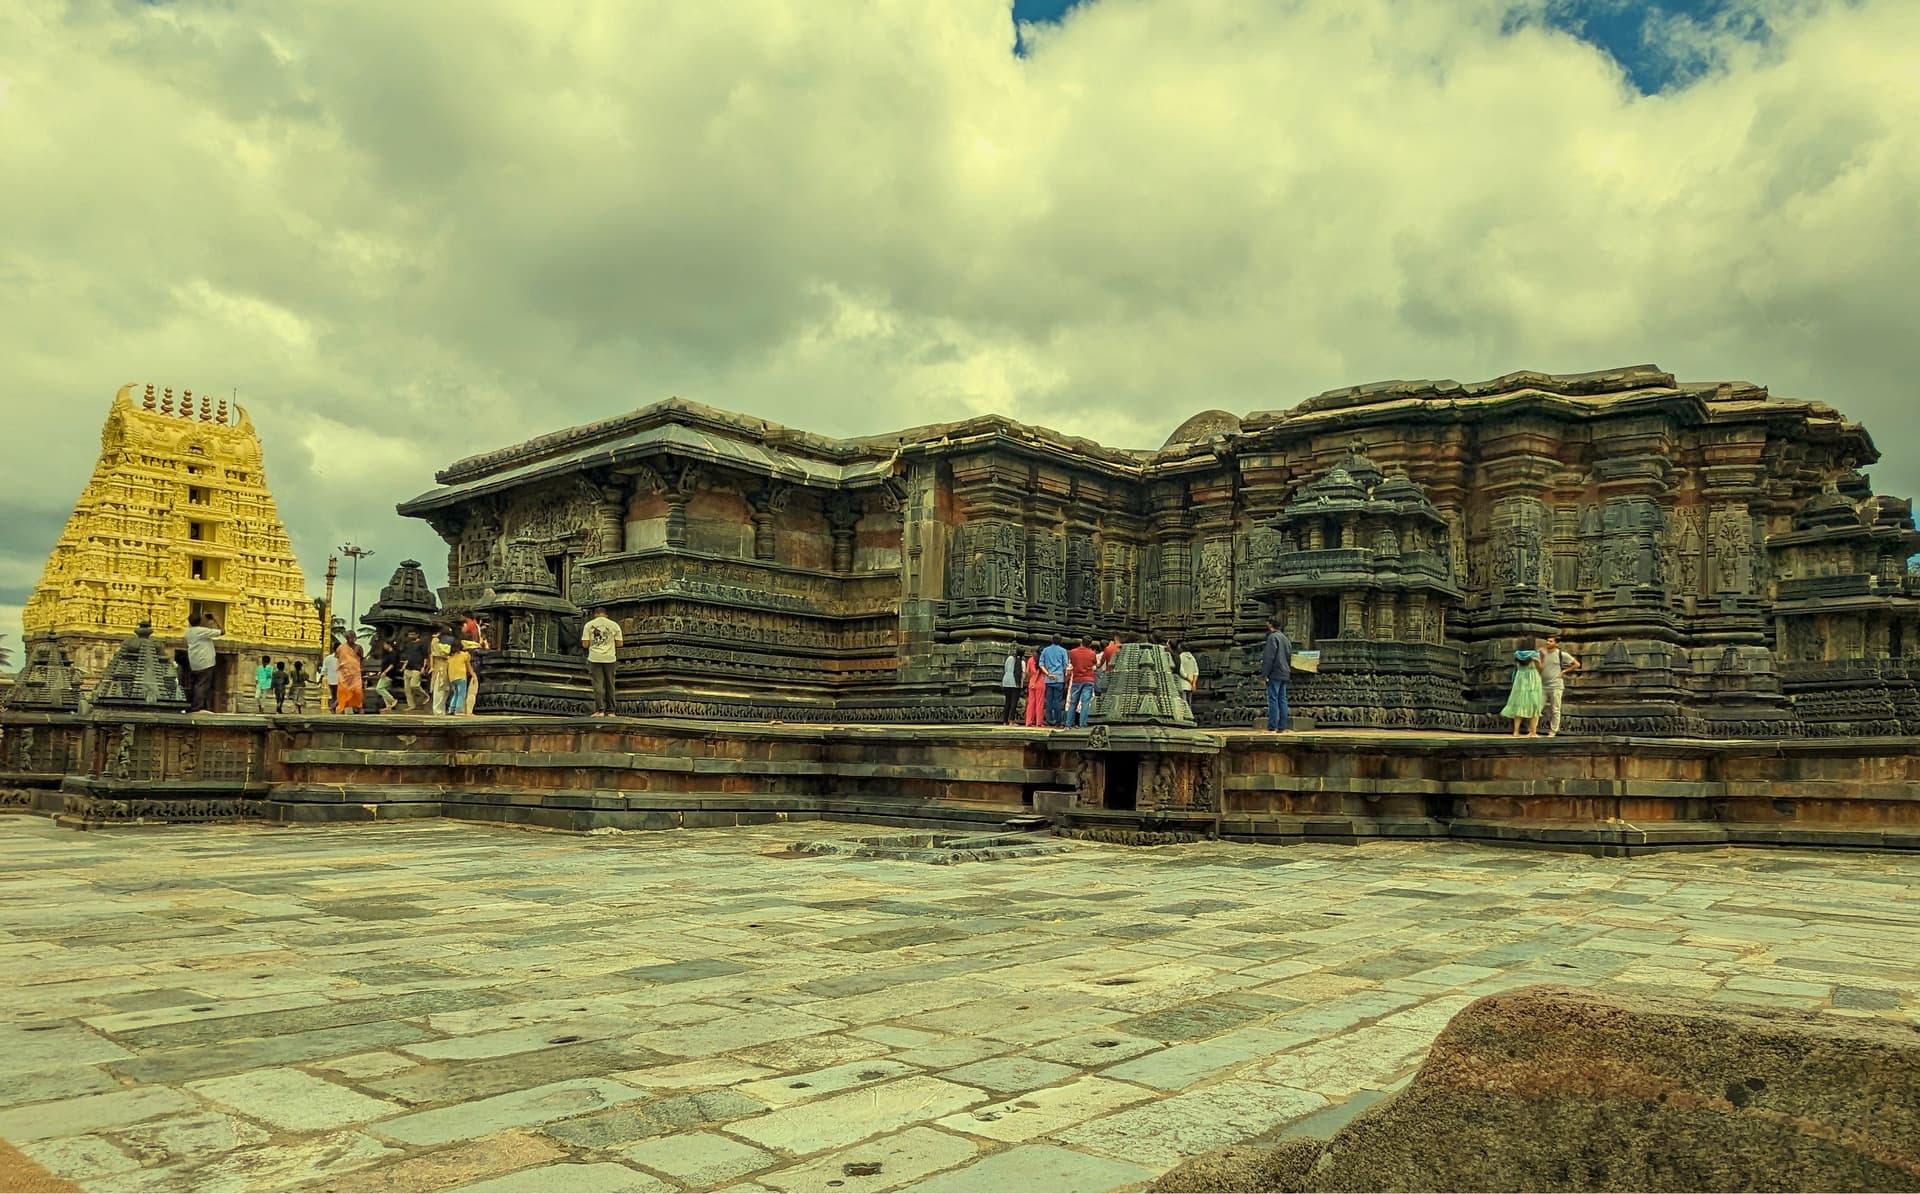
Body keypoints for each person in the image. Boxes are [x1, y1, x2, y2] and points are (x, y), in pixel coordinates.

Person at [581, 606, 624, 717]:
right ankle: (611, 711)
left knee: (598, 684)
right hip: (610, 658)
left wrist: (595, 644)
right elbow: (620, 644)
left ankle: (600, 710)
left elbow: (585, 644)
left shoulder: (589, 625)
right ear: (606, 614)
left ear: (595, 614)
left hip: (594, 658)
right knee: (610, 683)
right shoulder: (614, 625)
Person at [1539, 634, 1581, 737]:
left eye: (1551, 641)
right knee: (1537, 707)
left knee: (1555, 709)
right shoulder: (1542, 654)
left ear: (1557, 644)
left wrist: (1564, 671)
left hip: (1556, 685)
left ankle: (1553, 731)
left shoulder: (1561, 654)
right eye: (1547, 641)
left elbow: (1576, 664)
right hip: (1542, 685)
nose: (1548, 643)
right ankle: (1533, 730)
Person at [1503, 637, 1546, 737]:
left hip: (1520, 680)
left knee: (1519, 705)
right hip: (1533, 680)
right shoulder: (1534, 655)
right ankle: (1533, 732)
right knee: (1534, 706)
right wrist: (1542, 657)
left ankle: (1516, 731)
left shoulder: (1518, 655)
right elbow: (1540, 669)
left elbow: (1517, 667)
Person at [1258, 616, 1293, 732]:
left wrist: (1264, 674)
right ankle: (1282, 725)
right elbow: (1289, 656)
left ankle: (1272, 725)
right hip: (1285, 671)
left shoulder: (1272, 638)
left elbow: (1269, 657)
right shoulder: (1285, 638)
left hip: (1275, 672)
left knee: (1273, 698)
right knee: (1282, 699)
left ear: (1270, 624)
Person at [184, 612, 223, 713]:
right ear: (200, 621)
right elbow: (222, 631)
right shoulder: (201, 631)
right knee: (202, 685)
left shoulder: (188, 632)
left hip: (195, 662)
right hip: (206, 662)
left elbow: (205, 630)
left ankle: (195, 705)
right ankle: (198, 707)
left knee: (197, 685)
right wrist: (216, 619)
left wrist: (203, 621)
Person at [1066, 637, 1099, 727]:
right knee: (1085, 703)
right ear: (1090, 644)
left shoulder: (1072, 652)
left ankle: (1068, 724)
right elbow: (1095, 664)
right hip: (1088, 680)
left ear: (1081, 642)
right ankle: (1082, 724)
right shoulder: (1092, 653)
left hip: (1077, 679)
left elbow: (1072, 664)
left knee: (1073, 703)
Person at [1038, 635, 1070, 728]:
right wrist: (1066, 678)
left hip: (1048, 679)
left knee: (1048, 701)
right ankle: (1057, 722)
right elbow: (1065, 666)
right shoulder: (1063, 651)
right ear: (1060, 641)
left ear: (1052, 640)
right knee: (1057, 701)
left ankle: (1048, 720)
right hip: (1059, 678)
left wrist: (1048, 674)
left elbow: (1041, 664)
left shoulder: (1045, 650)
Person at [333, 633, 365, 714]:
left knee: (358, 692)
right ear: (346, 638)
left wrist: (360, 668)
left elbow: (361, 659)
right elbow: (338, 657)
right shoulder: (341, 648)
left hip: (355, 675)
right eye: (349, 637)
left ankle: (359, 707)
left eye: (352, 637)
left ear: (355, 638)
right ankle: (341, 708)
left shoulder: (359, 648)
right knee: (342, 691)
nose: (351, 639)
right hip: (344, 675)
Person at [400, 630, 430, 711]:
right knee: (407, 689)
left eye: (413, 634)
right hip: (408, 668)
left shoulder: (421, 643)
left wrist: (424, 667)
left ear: (417, 634)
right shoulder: (408, 644)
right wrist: (404, 666)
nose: (411, 636)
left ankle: (424, 695)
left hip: (417, 667)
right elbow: (407, 657)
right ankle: (411, 705)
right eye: (409, 634)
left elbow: (425, 656)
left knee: (414, 685)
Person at [430, 622, 456, 714]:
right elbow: (435, 654)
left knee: (444, 689)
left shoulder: (439, 640)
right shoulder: (436, 640)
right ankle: (438, 710)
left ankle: (440, 710)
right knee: (440, 689)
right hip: (441, 666)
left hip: (444, 666)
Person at [446, 633, 474, 715]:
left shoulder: (449, 657)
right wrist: (473, 675)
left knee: (455, 693)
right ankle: (458, 710)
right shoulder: (465, 655)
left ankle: (451, 709)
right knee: (461, 694)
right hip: (461, 677)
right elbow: (469, 667)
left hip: (452, 677)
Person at [1023, 643, 1048, 727]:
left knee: (1031, 703)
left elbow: (1027, 672)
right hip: (1040, 682)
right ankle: (1039, 722)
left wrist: (1031, 679)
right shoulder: (1043, 660)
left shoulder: (1030, 660)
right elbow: (1043, 671)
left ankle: (1028, 721)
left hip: (1031, 682)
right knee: (1039, 704)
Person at [1000, 646, 1024, 726]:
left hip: (1006, 681)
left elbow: (1005, 668)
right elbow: (1023, 674)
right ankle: (1011, 721)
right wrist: (1021, 684)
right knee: (1014, 703)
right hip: (1015, 683)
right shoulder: (1022, 662)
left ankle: (1005, 721)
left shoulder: (1009, 658)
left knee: (1007, 702)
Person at [1175, 641, 1200, 708]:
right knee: (1189, 704)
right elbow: (1196, 671)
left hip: (1182, 684)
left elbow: (1181, 671)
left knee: (1183, 704)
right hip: (1190, 685)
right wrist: (1193, 683)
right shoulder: (1192, 658)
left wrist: (1189, 680)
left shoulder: (1181, 656)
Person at [320, 645, 340, 712]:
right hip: (340, 680)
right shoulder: (342, 658)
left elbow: (323, 670)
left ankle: (333, 708)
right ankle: (332, 707)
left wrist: (320, 679)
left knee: (334, 696)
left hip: (331, 680)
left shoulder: (327, 658)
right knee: (341, 696)